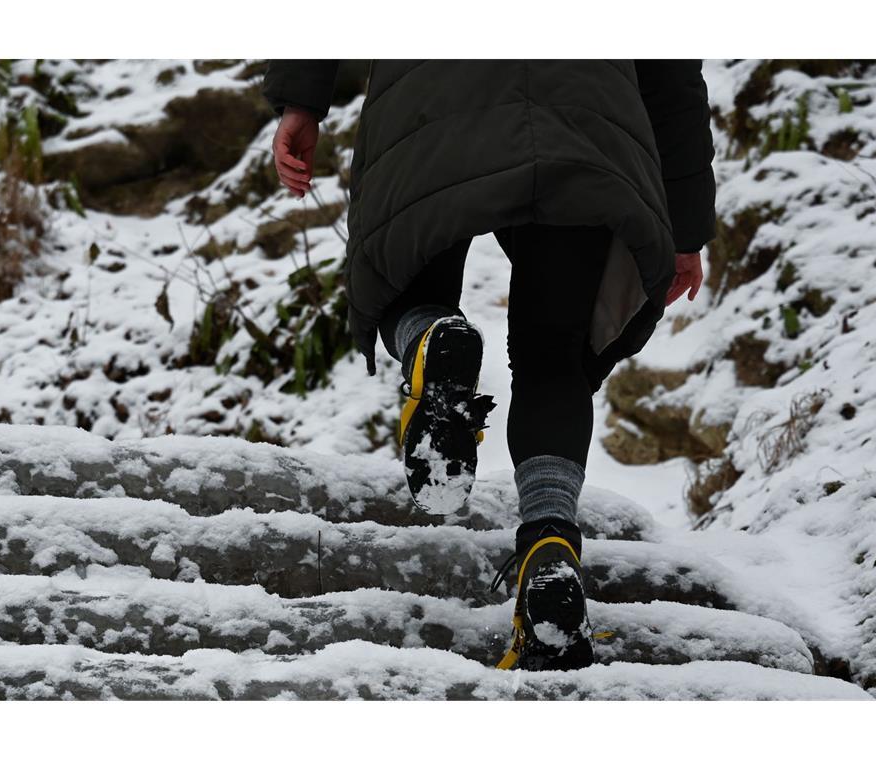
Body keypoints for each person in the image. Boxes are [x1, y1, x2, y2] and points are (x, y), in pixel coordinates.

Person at [262, 60, 714, 671]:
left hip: (429, 98)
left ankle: (432, 337)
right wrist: (686, 224)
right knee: (555, 354)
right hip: (585, 109)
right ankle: (550, 548)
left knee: (404, 290)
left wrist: (300, 102)